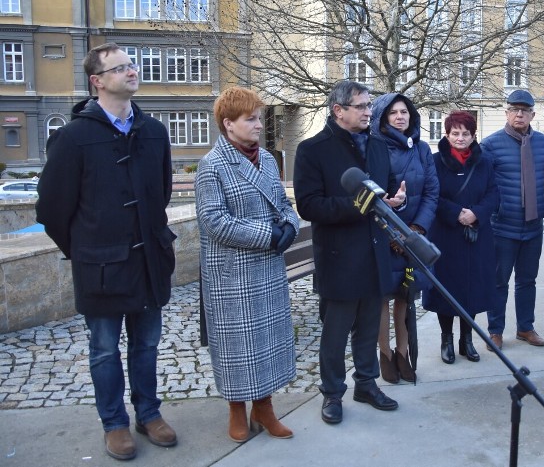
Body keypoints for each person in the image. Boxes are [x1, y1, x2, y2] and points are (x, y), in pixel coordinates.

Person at [36, 43, 177, 461]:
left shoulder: (153, 131)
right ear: (97, 80)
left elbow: (162, 193)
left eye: (133, 64)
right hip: (100, 265)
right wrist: (85, 249)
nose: (132, 71)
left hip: (150, 260)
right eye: (121, 68)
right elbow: (52, 209)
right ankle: (114, 423)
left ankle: (149, 414)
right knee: (103, 348)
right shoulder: (73, 137)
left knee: (147, 345)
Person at [293, 80, 405, 425]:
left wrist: (395, 201)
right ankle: (332, 392)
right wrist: (364, 205)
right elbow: (309, 205)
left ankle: (367, 384)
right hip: (339, 257)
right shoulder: (313, 150)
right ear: (338, 110)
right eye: (362, 106)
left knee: (369, 327)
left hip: (374, 253)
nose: (370, 112)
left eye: (370, 105)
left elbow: (383, 192)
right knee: (336, 331)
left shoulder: (377, 146)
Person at [195, 87, 300, 443]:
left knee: (268, 341)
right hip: (233, 272)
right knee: (237, 346)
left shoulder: (268, 160)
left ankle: (265, 406)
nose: (259, 124)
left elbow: (283, 204)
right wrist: (267, 235)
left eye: (259, 117)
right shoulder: (212, 165)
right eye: (251, 119)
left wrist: (289, 225)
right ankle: (237, 408)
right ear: (228, 124)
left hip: (268, 269)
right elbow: (215, 222)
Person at [370, 93, 439, 383]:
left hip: (414, 236)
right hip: (384, 236)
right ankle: (384, 354)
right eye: (394, 112)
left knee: (405, 295)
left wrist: (416, 230)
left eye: (405, 112)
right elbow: (372, 195)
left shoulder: (421, 149)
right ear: (383, 117)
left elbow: (431, 191)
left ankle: (403, 351)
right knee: (383, 297)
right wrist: (393, 233)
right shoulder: (373, 148)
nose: (401, 117)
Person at [424, 111, 500, 364]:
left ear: (473, 135)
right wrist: (457, 213)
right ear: (446, 134)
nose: (460, 138)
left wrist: (475, 214)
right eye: (455, 133)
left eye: (465, 133)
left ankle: (466, 340)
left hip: (476, 236)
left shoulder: (485, 162)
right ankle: (447, 339)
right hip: (446, 235)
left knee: (472, 289)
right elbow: (432, 195)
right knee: (446, 290)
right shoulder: (435, 161)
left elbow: (493, 194)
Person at [481, 89, 544, 350]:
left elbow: (542, 175)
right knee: (499, 281)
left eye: (524, 110)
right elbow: (484, 184)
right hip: (501, 227)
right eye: (514, 109)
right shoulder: (490, 145)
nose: (519, 114)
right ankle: (495, 331)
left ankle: (525, 327)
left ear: (533, 114)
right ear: (506, 112)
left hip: (533, 227)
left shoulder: (543, 143)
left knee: (527, 281)